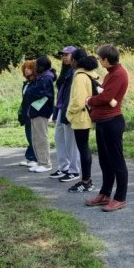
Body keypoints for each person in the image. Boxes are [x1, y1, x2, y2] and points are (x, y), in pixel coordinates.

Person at [84, 44, 129, 212]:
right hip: (103, 121)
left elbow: (107, 97)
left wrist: (89, 100)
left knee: (116, 160)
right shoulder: (111, 73)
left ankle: (120, 197)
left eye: (99, 58)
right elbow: (105, 94)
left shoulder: (118, 74)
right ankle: (105, 193)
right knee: (105, 160)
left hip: (112, 122)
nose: (98, 61)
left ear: (106, 59)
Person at [65, 49, 99, 193]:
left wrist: (69, 112)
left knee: (83, 148)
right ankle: (86, 180)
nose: (69, 61)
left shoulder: (79, 76)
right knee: (84, 148)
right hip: (88, 114)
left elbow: (78, 101)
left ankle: (86, 181)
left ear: (75, 61)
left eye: (71, 58)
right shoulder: (91, 74)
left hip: (80, 116)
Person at [50, 46, 81, 182]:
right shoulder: (66, 71)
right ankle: (64, 167)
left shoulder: (76, 72)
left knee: (71, 142)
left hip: (70, 111)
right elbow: (61, 93)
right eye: (63, 55)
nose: (64, 57)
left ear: (74, 57)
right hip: (61, 109)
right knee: (59, 139)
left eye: (67, 55)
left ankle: (74, 170)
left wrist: (70, 112)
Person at [21, 55, 56, 173]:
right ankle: (40, 161)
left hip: (41, 111)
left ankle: (46, 163)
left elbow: (36, 92)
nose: (35, 68)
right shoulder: (42, 77)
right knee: (35, 138)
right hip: (35, 111)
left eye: (36, 66)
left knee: (41, 137)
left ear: (42, 66)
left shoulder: (46, 78)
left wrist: (30, 92)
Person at [17, 60, 38, 167]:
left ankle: (34, 158)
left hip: (34, 112)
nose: (26, 70)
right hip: (26, 113)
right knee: (28, 135)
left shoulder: (36, 82)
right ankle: (30, 157)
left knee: (33, 136)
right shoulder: (26, 83)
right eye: (25, 68)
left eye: (29, 68)